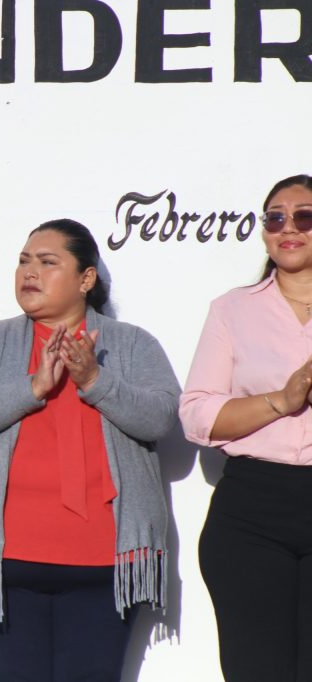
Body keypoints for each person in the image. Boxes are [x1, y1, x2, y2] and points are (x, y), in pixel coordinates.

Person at [0, 219, 180, 681]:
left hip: (104, 562)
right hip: (8, 560)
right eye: (24, 261)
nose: (30, 272)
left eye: (48, 262)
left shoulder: (131, 344)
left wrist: (93, 380)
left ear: (86, 279)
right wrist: (34, 386)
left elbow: (160, 418)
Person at [180, 174, 312, 682]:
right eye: (275, 218)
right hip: (253, 510)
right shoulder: (233, 309)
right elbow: (197, 414)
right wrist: (281, 401)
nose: (288, 228)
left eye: (304, 216)